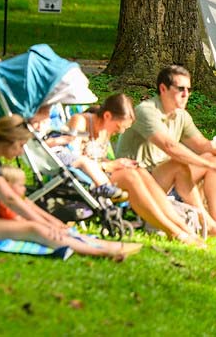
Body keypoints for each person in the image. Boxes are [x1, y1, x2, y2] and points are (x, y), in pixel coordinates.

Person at [0, 114, 142, 260]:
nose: (20, 152)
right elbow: (10, 199)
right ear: (12, 141)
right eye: (21, 145)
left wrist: (51, 220)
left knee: (54, 227)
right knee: (35, 229)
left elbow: (20, 201)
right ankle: (103, 252)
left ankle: (104, 244)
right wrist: (43, 223)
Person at [115, 65, 216, 240]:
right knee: (179, 164)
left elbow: (203, 145)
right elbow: (170, 147)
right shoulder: (146, 111)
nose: (186, 94)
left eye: (189, 89)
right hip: (141, 179)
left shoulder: (180, 115)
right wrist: (214, 168)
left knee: (213, 158)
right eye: (181, 89)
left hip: (166, 178)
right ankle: (208, 224)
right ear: (163, 89)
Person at [67, 94, 202, 244]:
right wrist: (108, 165)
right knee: (130, 177)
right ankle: (174, 231)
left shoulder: (105, 126)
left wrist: (117, 163)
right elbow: (73, 159)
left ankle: (183, 227)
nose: (121, 132)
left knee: (140, 172)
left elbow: (97, 157)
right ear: (107, 115)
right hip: (84, 179)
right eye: (119, 126)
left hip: (101, 174)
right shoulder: (80, 122)